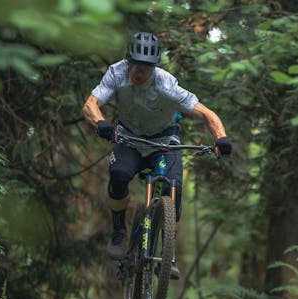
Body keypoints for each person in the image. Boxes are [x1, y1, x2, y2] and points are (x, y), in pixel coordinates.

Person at [83, 31, 232, 279]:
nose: (139, 73)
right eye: (135, 66)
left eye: (145, 69)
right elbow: (90, 104)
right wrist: (101, 123)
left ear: (153, 68)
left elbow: (207, 114)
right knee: (119, 174)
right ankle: (119, 231)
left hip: (163, 143)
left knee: (174, 188)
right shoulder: (116, 73)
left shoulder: (166, 84)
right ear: (128, 62)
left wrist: (221, 138)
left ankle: (167, 253)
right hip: (129, 139)